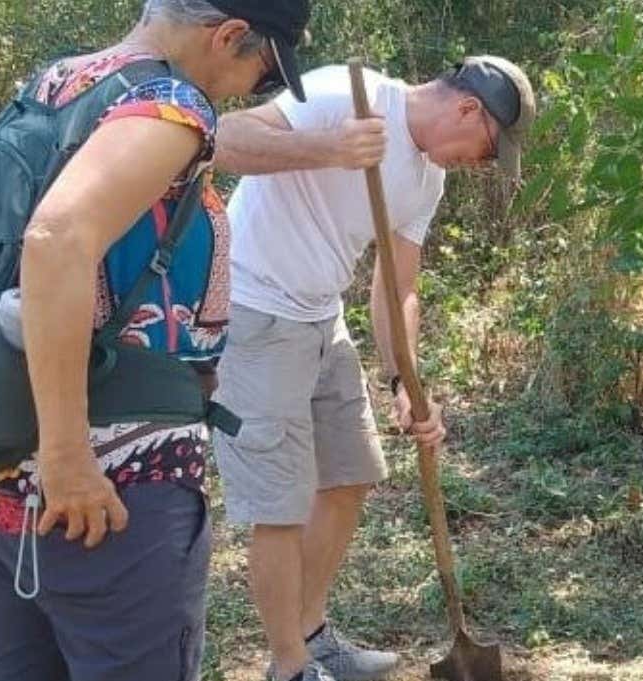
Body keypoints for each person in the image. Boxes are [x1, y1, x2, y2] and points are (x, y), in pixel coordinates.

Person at [0, 1, 313, 680]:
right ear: (228, 35)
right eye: (259, 73)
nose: (243, 95)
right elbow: (57, 238)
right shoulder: (170, 104)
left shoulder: (61, 82)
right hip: (104, 499)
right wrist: (67, 456)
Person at [207, 56, 537, 681]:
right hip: (251, 308)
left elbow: (396, 287)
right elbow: (222, 140)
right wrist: (328, 146)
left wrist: (403, 380)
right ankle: (289, 666)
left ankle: (310, 632)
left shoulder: (426, 181)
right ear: (468, 110)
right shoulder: (345, 94)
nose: (483, 165)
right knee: (280, 503)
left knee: (351, 474)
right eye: (488, 151)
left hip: (318, 315)